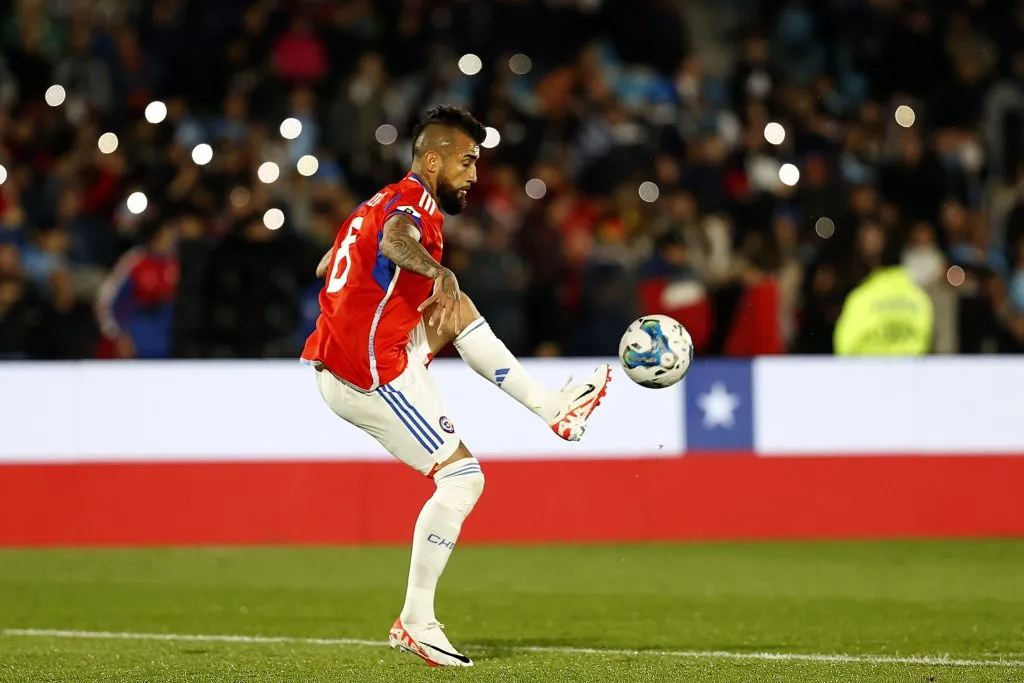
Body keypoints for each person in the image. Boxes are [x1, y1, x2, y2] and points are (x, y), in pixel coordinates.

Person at [300, 105, 611, 667]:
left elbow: (328, 265)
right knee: (463, 478)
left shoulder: (375, 201)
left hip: (355, 353)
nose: (474, 173)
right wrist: (436, 271)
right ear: (432, 158)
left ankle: (550, 407)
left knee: (455, 307)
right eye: (467, 161)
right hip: (369, 373)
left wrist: (396, 288)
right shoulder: (412, 203)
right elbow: (396, 241)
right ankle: (416, 621)